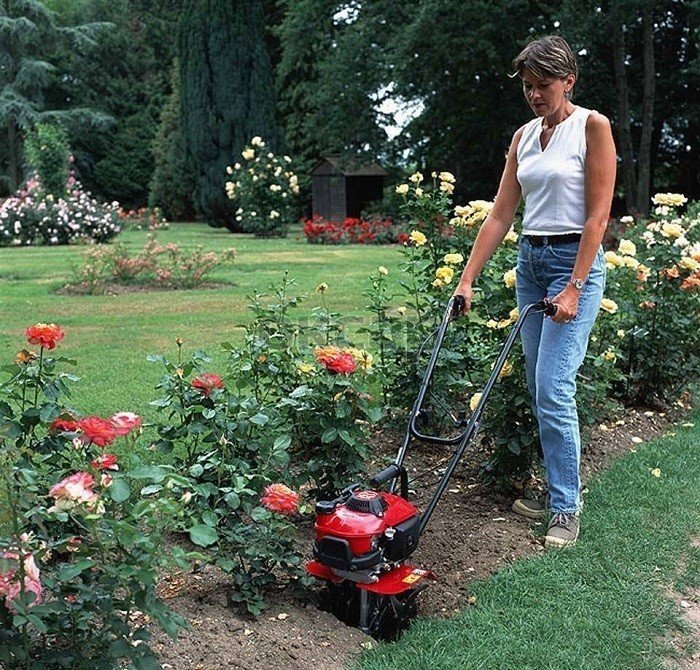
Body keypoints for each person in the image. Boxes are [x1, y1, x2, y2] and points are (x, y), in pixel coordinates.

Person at [453, 35, 616, 548]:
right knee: (537, 384)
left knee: (553, 387)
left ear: (568, 80)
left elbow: (597, 217)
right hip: (530, 262)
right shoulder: (524, 136)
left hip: (574, 262)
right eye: (528, 86)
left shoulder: (592, 127)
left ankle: (565, 507)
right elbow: (501, 213)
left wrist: (574, 287)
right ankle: (555, 492)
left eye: (543, 85)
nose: (534, 95)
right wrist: (467, 277)